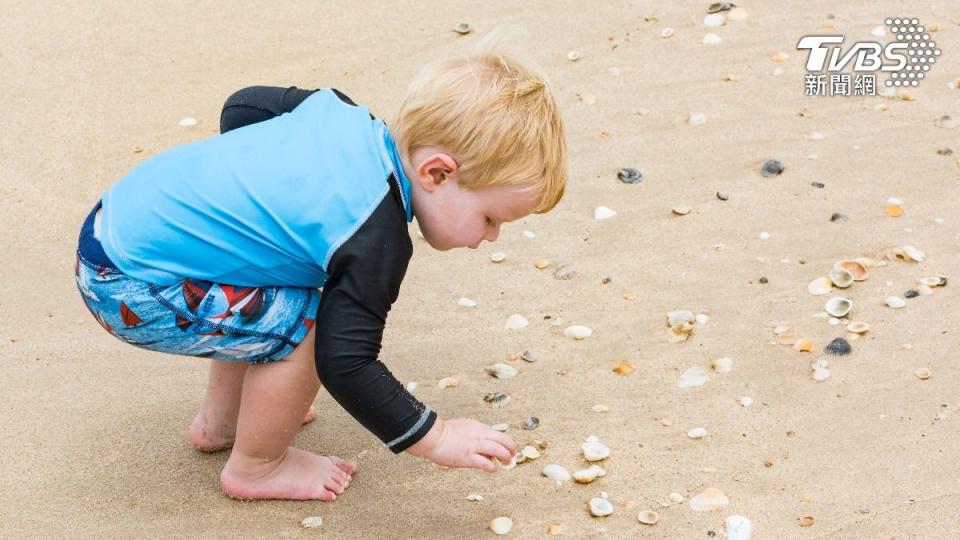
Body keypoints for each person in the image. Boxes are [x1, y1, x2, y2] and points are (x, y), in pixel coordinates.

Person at [74, 52, 567, 501]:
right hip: (130, 287)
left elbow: (243, 107)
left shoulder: (336, 113)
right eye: (490, 218)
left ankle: (222, 426)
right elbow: (345, 362)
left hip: (111, 223)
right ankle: (258, 467)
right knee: (307, 326)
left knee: (274, 294)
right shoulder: (376, 238)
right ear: (436, 173)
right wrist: (434, 436)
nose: (493, 236)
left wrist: (251, 196)